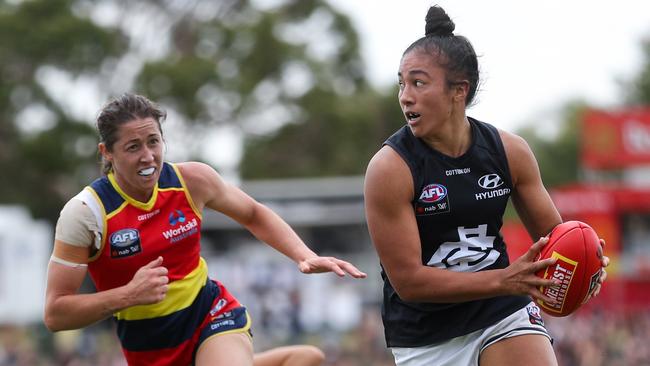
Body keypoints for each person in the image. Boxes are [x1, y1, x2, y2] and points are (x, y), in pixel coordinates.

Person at [363, 5, 609, 366]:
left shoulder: (510, 152)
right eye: (402, 83)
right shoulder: (389, 168)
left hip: (502, 313)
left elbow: (556, 238)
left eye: (418, 82)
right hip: (426, 335)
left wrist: (587, 262)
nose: (405, 96)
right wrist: (503, 279)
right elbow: (409, 282)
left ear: (458, 91)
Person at [44, 93, 366, 366]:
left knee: (304, 358)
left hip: (210, 314)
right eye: (133, 147)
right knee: (305, 358)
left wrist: (304, 256)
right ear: (107, 153)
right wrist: (129, 295)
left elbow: (253, 213)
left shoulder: (191, 181)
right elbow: (56, 313)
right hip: (151, 349)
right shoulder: (87, 213)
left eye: (154, 141)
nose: (148, 157)